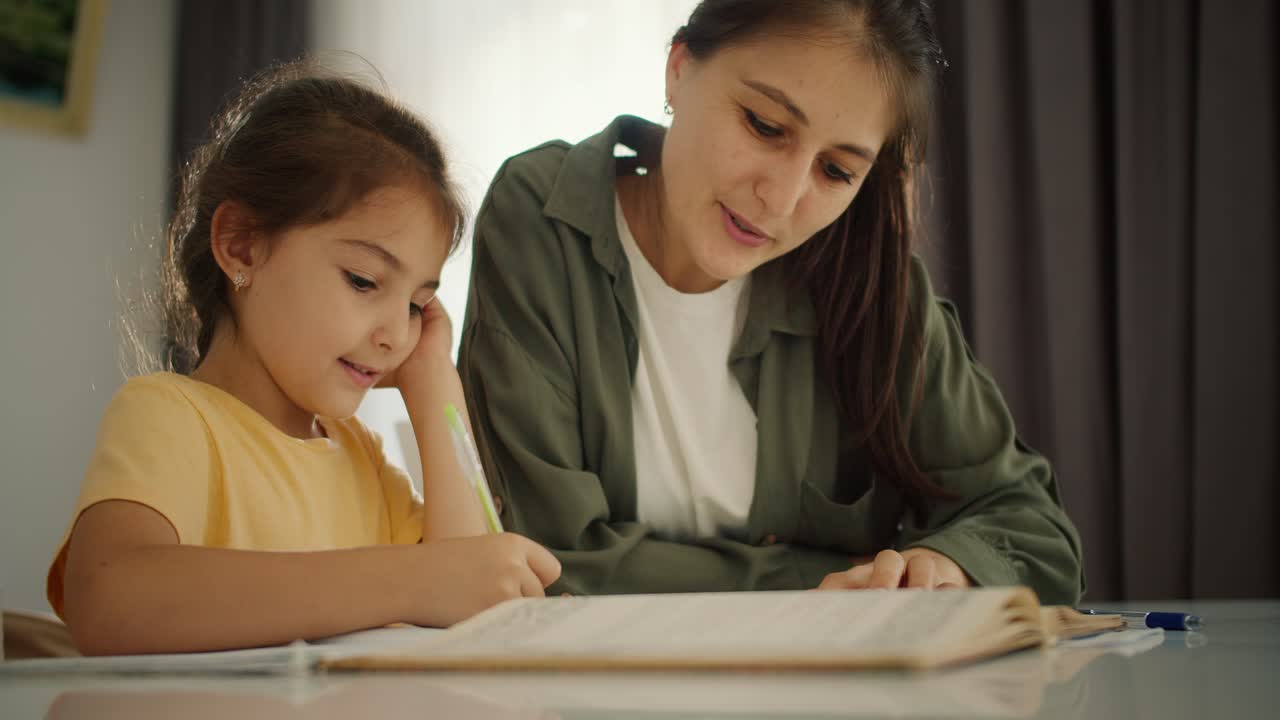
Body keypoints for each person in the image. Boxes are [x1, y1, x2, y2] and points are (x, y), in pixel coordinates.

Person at [458, 0, 1083, 604]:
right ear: (679, 68)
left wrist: (948, 569)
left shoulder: (875, 287)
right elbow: (544, 558)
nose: (781, 200)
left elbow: (1033, 531)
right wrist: (821, 582)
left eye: (836, 171)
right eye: (764, 125)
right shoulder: (540, 217)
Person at [47, 61, 560, 656]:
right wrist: (407, 581)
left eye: (417, 304)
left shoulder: (363, 459)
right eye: (364, 281)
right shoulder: (172, 416)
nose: (398, 334)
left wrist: (434, 382)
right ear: (241, 245)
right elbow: (111, 600)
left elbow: (475, 601)